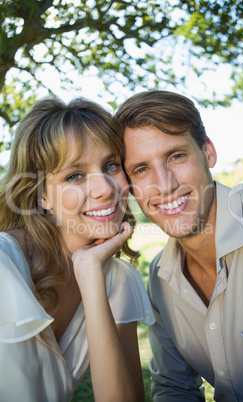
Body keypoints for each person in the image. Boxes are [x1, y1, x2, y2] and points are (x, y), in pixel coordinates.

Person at [115, 90, 243, 401]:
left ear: (208, 152)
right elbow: (174, 388)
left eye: (176, 156)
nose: (165, 184)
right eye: (141, 169)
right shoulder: (159, 277)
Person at [0, 97, 155, 402]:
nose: (105, 189)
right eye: (75, 175)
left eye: (110, 165)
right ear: (41, 195)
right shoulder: (5, 266)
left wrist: (88, 271)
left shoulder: (119, 279)